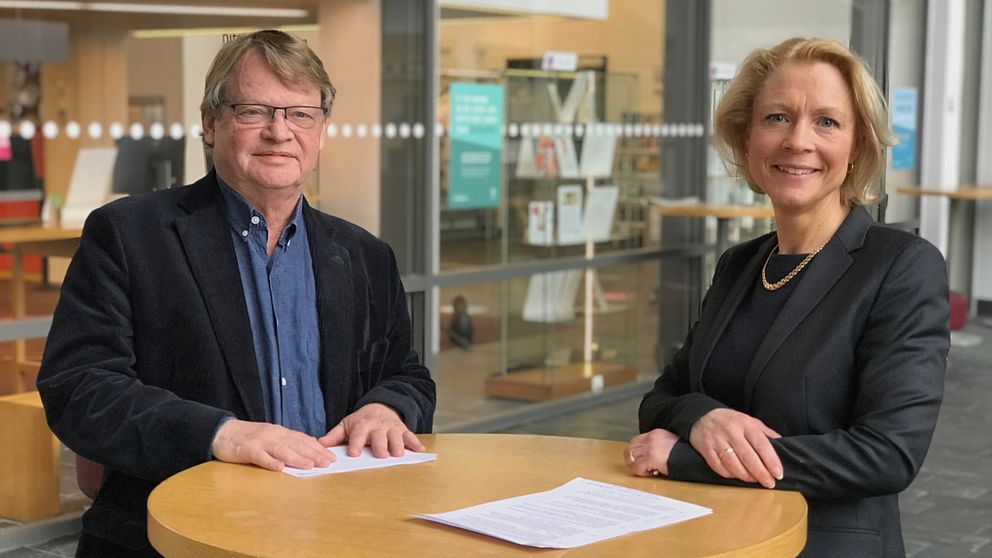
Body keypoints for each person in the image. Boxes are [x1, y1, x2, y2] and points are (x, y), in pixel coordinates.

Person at [37, 30, 435, 557]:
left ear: (321, 130)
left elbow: (406, 374)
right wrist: (220, 434)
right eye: (254, 111)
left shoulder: (365, 254)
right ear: (210, 123)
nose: (279, 132)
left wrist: (388, 407)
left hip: (335, 532)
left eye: (300, 114)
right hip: (178, 539)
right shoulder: (130, 235)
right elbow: (79, 387)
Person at [625, 37, 948, 558]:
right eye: (777, 118)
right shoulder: (740, 265)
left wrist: (690, 458)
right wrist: (703, 418)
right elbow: (661, 400)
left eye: (827, 121)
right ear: (746, 139)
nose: (798, 140)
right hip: (715, 540)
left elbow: (887, 455)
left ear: (858, 147)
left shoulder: (900, 266)